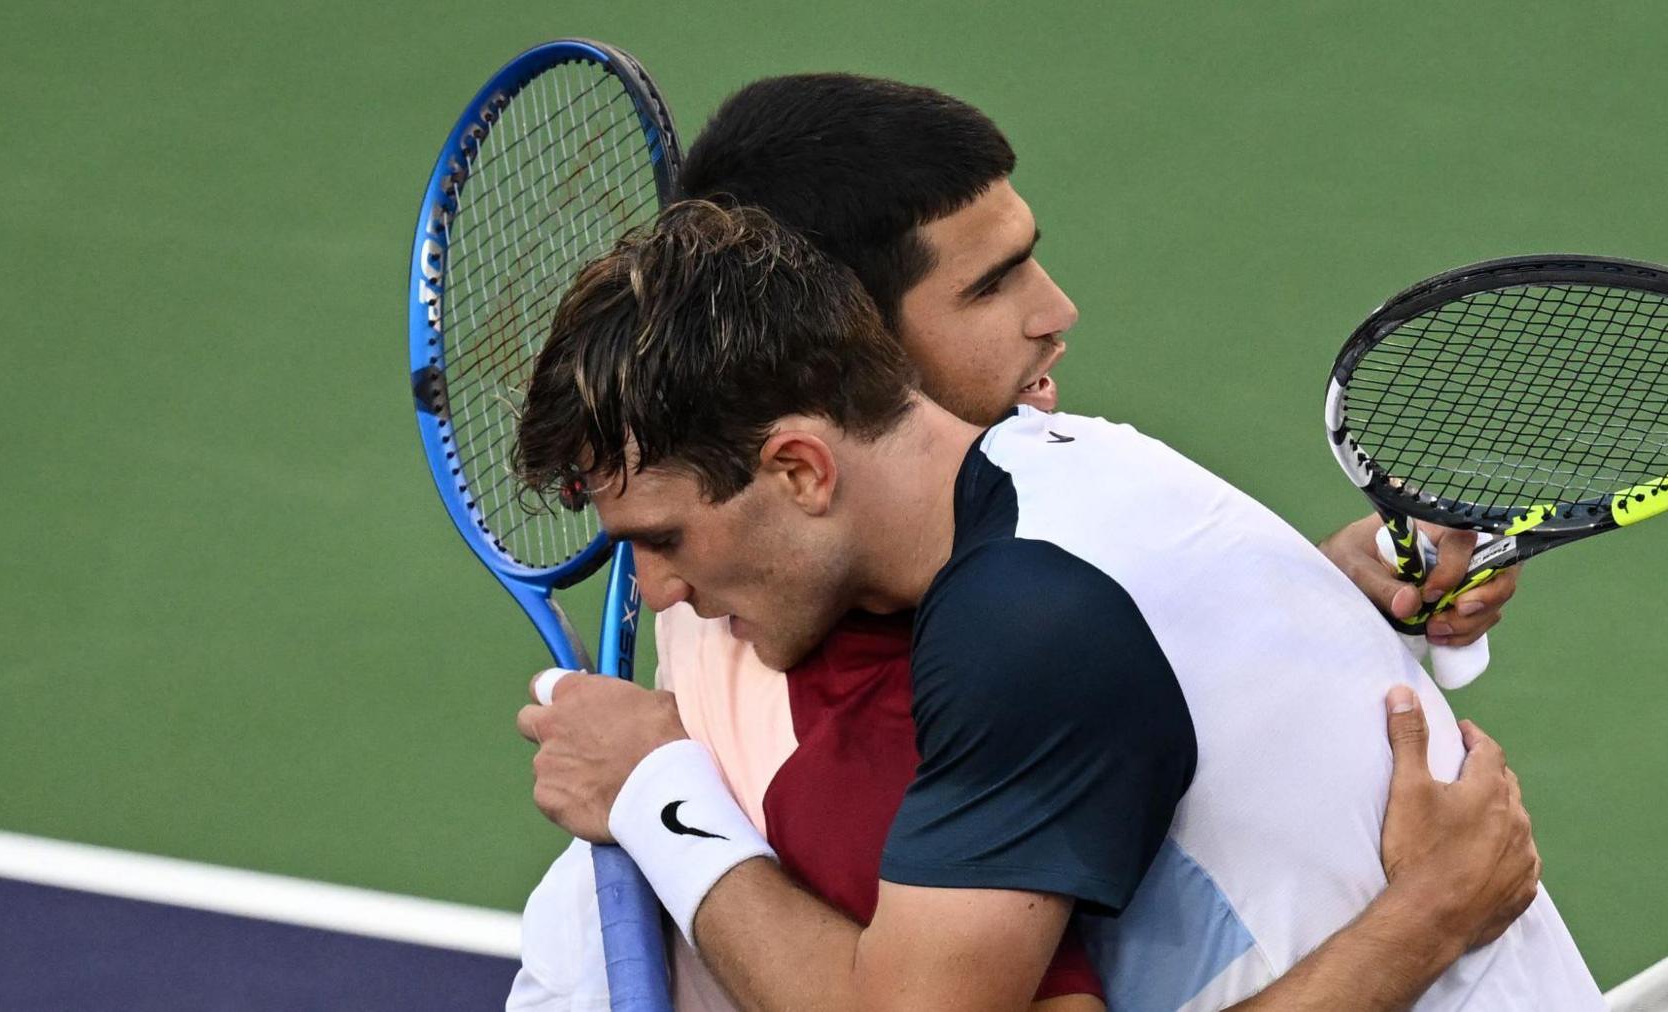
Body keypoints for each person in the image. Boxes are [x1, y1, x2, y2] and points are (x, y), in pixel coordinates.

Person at [506, 75, 1533, 1011]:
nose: (658, 589)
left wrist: (660, 799)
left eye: (667, 538)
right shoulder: (1074, 476)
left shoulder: (1006, 625)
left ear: (803, 465)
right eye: (988, 285)